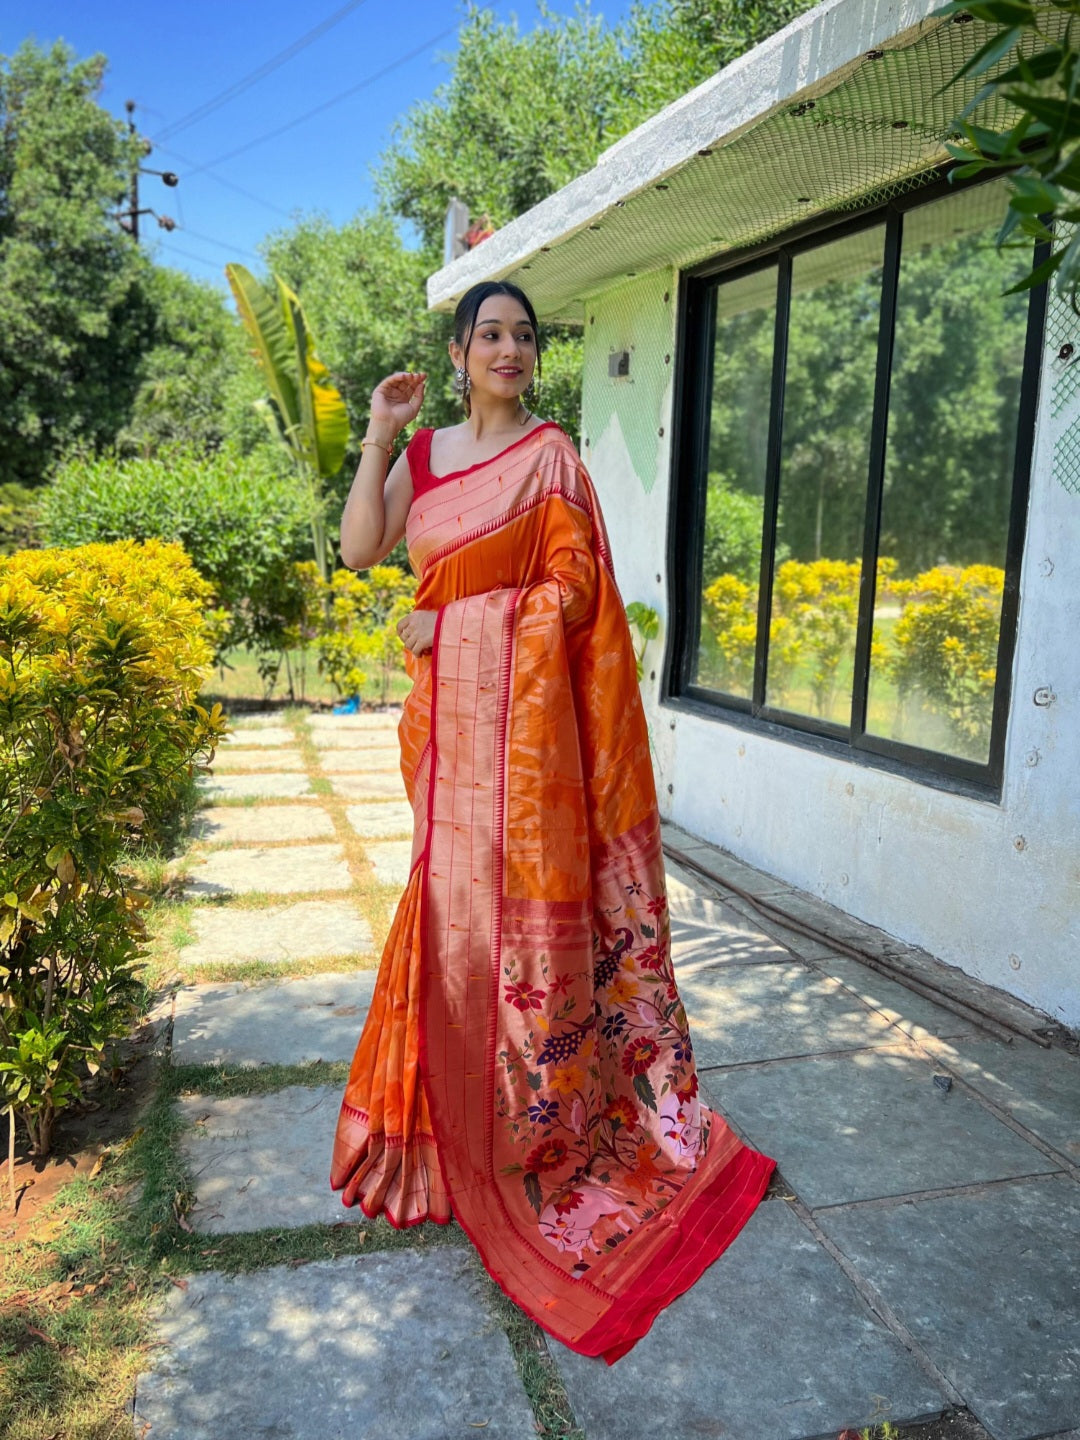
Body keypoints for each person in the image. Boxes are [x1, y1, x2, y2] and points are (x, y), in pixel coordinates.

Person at [330, 280, 774, 1363]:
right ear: (458, 351)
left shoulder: (553, 459)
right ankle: (439, 1134)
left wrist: (456, 621)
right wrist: (380, 432)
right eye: (490, 334)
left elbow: (574, 596)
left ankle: (533, 1131)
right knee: (450, 923)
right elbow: (360, 550)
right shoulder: (425, 453)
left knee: (521, 933)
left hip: (528, 748)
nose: (510, 349)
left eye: (524, 336)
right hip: (448, 738)